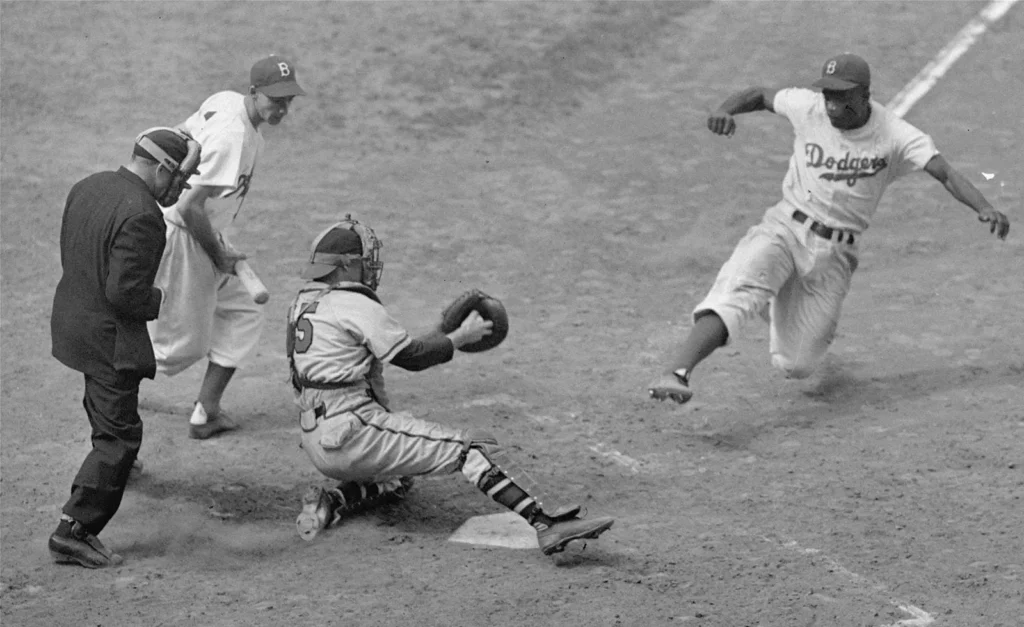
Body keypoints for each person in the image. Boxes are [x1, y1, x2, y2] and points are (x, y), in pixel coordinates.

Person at [648, 53, 1010, 405]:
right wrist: (724, 109)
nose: (833, 105)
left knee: (797, 365)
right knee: (736, 294)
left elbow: (944, 172)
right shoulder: (809, 107)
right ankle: (676, 372)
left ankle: (774, 299)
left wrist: (984, 207)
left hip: (836, 255)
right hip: (785, 228)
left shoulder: (897, 134)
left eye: (842, 96)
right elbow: (760, 95)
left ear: (865, 95)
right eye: (829, 95)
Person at [287, 216, 615, 556]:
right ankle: (547, 522)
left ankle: (333, 500)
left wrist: (441, 330)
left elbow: (391, 351)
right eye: (363, 261)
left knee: (399, 477)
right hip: (355, 432)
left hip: (319, 439)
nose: (370, 267)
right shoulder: (353, 303)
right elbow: (412, 357)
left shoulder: (303, 305)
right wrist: (459, 337)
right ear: (345, 266)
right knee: (474, 447)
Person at [49, 127, 201, 568]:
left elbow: (75, 252)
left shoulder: (88, 185)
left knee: (103, 407)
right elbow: (125, 293)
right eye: (179, 178)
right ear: (160, 168)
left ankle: (112, 474)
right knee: (120, 437)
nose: (181, 189)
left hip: (73, 322)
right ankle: (74, 529)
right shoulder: (144, 215)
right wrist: (156, 300)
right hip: (108, 337)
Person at [148, 54, 306, 439]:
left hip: (201, 232)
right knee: (176, 349)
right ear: (254, 92)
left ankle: (206, 411)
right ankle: (107, 377)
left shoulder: (225, 101)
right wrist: (218, 256)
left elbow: (178, 134)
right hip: (185, 237)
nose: (282, 108)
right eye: (275, 100)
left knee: (243, 311)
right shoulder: (234, 137)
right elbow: (188, 207)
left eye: (288, 99)